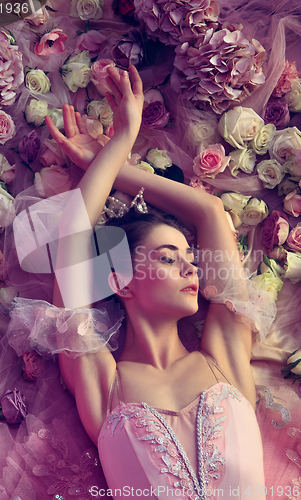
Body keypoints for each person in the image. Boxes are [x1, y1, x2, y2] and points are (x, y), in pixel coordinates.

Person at [44, 65, 266, 499]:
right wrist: (121, 141)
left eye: (190, 257)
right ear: (120, 281)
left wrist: (107, 165)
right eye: (169, 258)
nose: (192, 268)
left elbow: (209, 213)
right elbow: (71, 243)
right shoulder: (105, 385)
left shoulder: (225, 352)